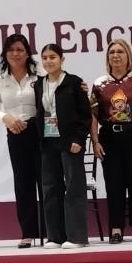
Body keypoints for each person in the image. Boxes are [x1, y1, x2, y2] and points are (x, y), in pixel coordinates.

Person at [89, 39, 132, 244]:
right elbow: (93, 115)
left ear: (128, 56)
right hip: (109, 138)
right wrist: (95, 141)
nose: (116, 55)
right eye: (112, 52)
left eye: (120, 52)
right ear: (107, 57)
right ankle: (116, 228)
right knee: (113, 184)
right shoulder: (99, 83)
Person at [0, 34, 41, 248]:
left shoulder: (39, 74)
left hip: (40, 131)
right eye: (11, 50)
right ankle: (28, 232)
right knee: (23, 183)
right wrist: (6, 118)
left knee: (46, 181)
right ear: (5, 53)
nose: (15, 54)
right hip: (15, 132)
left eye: (20, 49)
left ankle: (52, 231)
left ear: (27, 53)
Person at [34, 43, 91, 248]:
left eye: (53, 57)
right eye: (45, 57)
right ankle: (55, 237)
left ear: (62, 59)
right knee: (50, 188)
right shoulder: (39, 84)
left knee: (74, 188)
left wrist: (79, 139)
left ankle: (77, 237)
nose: (49, 61)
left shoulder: (74, 82)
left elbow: (85, 115)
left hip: (70, 142)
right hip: (48, 141)